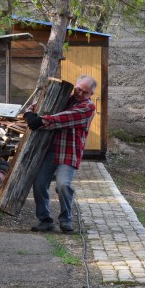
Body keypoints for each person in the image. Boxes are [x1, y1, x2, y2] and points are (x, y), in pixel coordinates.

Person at [23, 75, 97, 232]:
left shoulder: (88, 107)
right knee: (39, 184)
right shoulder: (63, 98)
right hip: (49, 151)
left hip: (69, 153)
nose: (79, 93)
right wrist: (29, 114)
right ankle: (45, 220)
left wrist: (41, 120)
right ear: (75, 86)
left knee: (63, 185)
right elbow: (37, 104)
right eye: (78, 89)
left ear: (91, 95)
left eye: (84, 92)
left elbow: (64, 119)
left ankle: (66, 220)